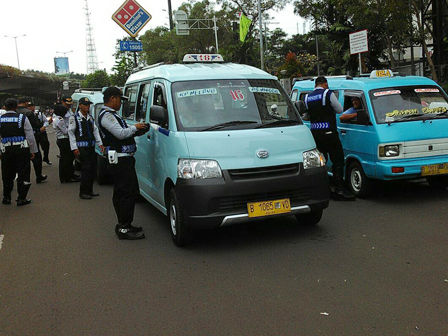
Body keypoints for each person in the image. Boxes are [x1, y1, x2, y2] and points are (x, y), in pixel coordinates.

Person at [98, 86, 149, 240]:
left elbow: (124, 133)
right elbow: (120, 134)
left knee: (126, 191)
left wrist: (139, 130)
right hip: (120, 159)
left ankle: (125, 224)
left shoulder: (113, 115)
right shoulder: (107, 116)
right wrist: (135, 127)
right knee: (126, 193)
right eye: (120, 99)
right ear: (112, 98)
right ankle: (124, 227)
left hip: (123, 158)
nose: (121, 103)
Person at [304, 76, 355, 201]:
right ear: (325, 84)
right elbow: (339, 109)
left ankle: (323, 189)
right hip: (329, 132)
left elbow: (306, 114)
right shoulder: (328, 93)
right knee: (337, 161)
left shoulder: (307, 97)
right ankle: (339, 190)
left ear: (315, 85)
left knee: (321, 161)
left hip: (315, 133)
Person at [0, 98, 38, 206]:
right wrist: (33, 150)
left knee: (7, 173)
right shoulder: (22, 118)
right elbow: (30, 136)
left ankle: (6, 197)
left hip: (6, 150)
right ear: (16, 107)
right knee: (23, 173)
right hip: (21, 150)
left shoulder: (0, 119)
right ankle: (21, 198)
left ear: (5, 107)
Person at [68, 97, 104, 199]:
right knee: (86, 169)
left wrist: (100, 143)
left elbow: (95, 131)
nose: (87, 106)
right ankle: (83, 192)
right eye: (85, 104)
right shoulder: (74, 118)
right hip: (82, 147)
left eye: (88, 105)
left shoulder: (90, 118)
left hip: (91, 146)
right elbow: (71, 133)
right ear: (80, 105)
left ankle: (90, 190)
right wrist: (74, 148)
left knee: (93, 168)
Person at [17, 98, 47, 183]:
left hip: (19, 139)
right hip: (32, 136)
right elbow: (36, 124)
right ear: (26, 103)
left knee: (21, 160)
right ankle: (38, 176)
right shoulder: (29, 113)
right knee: (37, 158)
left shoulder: (15, 112)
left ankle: (21, 179)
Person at [53, 104, 79, 183]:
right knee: (67, 159)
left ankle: (66, 176)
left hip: (62, 140)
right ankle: (68, 176)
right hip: (64, 140)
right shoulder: (59, 120)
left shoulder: (57, 119)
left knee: (64, 159)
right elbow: (65, 131)